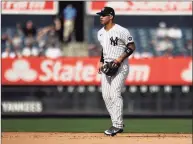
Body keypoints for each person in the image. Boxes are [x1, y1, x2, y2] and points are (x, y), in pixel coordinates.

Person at [96, 7, 136, 136]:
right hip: (107, 66)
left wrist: (119, 59)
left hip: (121, 66)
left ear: (111, 16)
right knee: (106, 96)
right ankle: (116, 123)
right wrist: (101, 61)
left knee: (115, 93)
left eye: (103, 15)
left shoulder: (121, 30)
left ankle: (117, 125)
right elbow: (104, 49)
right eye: (100, 15)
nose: (101, 17)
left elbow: (131, 47)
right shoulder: (100, 32)